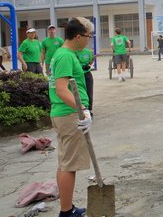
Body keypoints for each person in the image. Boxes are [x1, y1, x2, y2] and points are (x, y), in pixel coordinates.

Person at [48, 17, 93, 217]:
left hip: (63, 113)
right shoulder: (65, 55)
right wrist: (82, 110)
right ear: (77, 37)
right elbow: (61, 90)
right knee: (70, 166)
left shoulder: (64, 53)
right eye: (88, 36)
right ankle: (66, 212)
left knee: (64, 163)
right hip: (68, 114)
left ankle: (67, 207)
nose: (89, 40)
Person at [76, 47, 94, 116]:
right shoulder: (75, 52)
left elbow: (91, 60)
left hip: (87, 74)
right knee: (80, 93)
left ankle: (89, 109)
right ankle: (82, 109)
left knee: (89, 92)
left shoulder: (87, 51)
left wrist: (89, 64)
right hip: (79, 75)